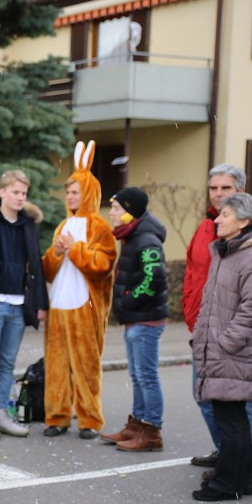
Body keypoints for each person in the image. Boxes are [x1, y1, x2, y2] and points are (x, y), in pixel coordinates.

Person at [183, 164, 252, 468]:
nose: (217, 194)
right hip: (204, 331)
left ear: (239, 190)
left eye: (225, 188)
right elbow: (192, 272)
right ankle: (226, 452)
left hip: (230, 336)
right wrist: (192, 313)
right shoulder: (207, 226)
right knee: (204, 395)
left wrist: (237, 330)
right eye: (213, 188)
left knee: (233, 401)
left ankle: (237, 462)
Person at [191, 193, 252, 500]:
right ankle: (244, 480)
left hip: (233, 351)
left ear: (243, 221)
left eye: (225, 215)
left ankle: (227, 484)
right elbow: (212, 303)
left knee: (230, 419)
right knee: (232, 415)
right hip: (219, 348)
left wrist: (225, 342)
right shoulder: (226, 253)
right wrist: (201, 339)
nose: (217, 219)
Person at [40, 142, 116, 438]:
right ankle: (56, 416)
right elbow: (47, 268)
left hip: (86, 307)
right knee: (57, 365)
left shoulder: (100, 227)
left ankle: (89, 419)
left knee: (86, 366)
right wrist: (57, 253)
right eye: (68, 192)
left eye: (75, 192)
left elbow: (103, 265)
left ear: (88, 193)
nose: (70, 196)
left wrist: (76, 248)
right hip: (59, 305)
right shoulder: (63, 225)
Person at [0, 170, 48, 439]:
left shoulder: (28, 224)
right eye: (15, 192)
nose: (20, 198)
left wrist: (38, 301)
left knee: (7, 361)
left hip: (18, 302)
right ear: (2, 192)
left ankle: (2, 411)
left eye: (24, 193)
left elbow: (35, 264)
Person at [100, 187, 168, 452]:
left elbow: (154, 279)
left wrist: (127, 301)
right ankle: (137, 425)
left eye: (117, 208)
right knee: (138, 375)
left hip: (145, 320)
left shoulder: (147, 239)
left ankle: (151, 430)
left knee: (146, 376)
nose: (113, 213)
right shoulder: (132, 236)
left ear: (131, 212)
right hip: (136, 319)